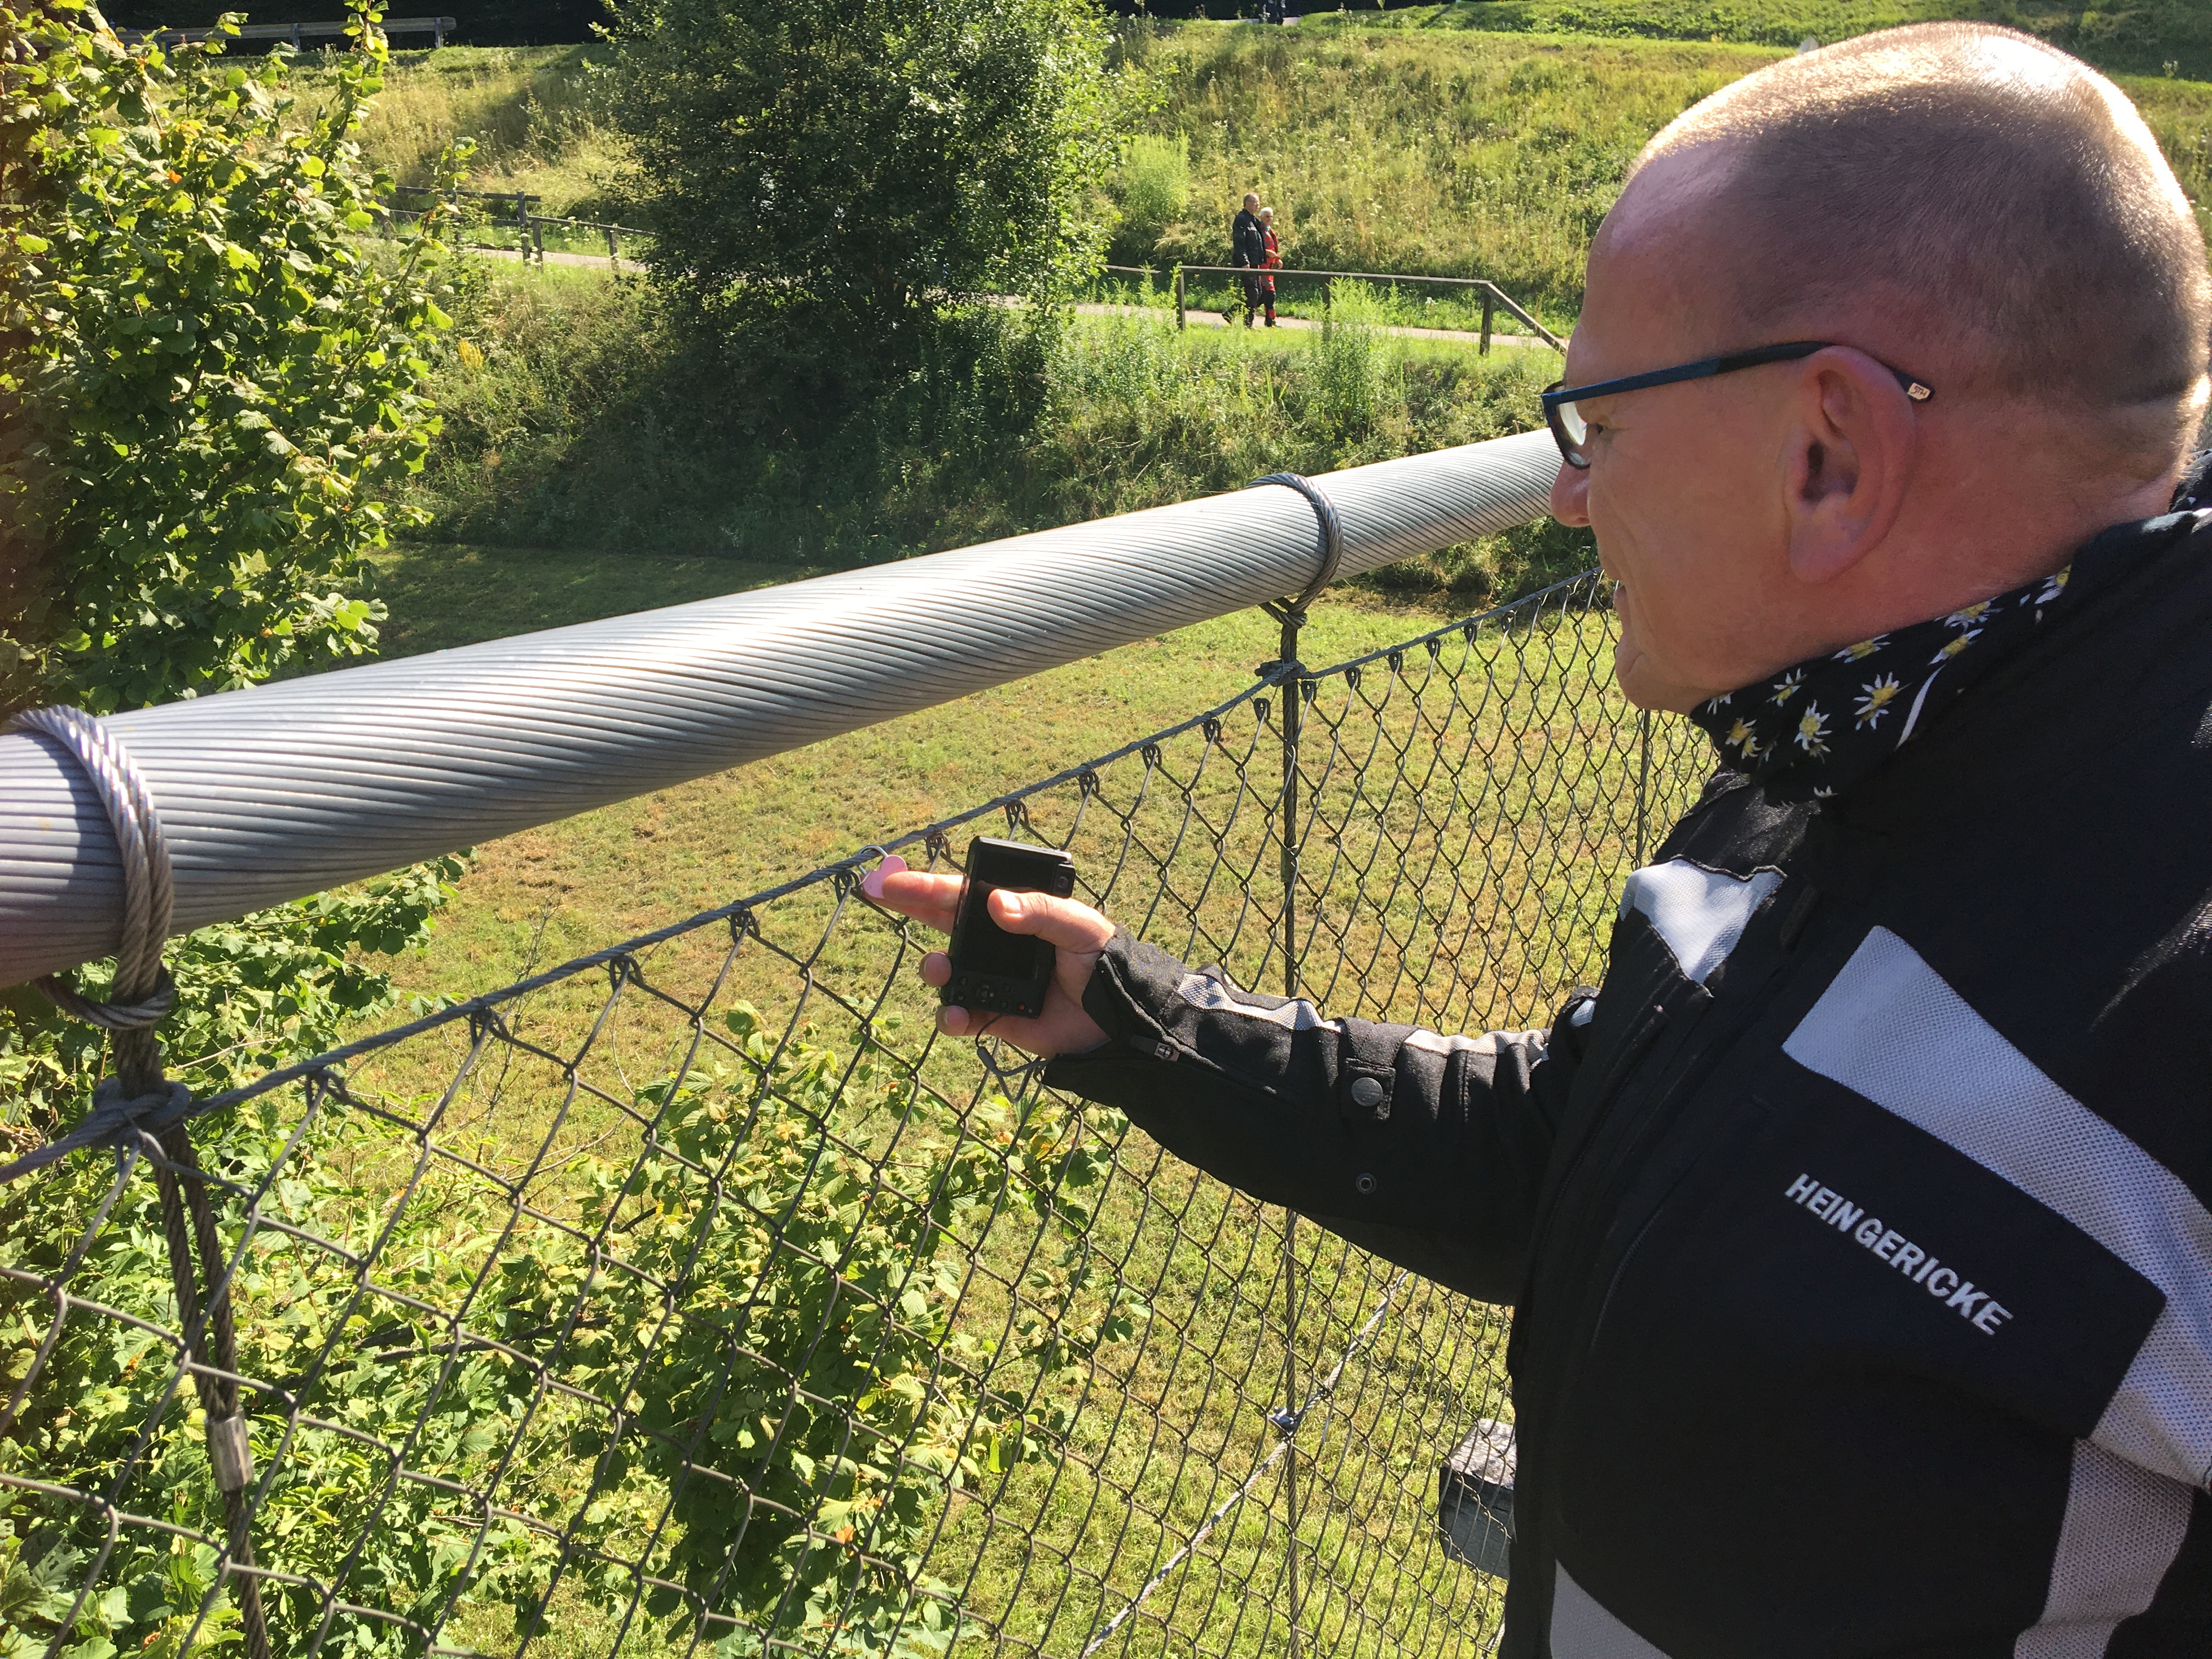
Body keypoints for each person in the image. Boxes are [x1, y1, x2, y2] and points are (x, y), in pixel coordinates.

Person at [880, 22, 2212, 1656]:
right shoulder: (1843, 748)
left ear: (1829, 456)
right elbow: (1575, 1144)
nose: (1571, 498)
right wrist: (1140, 1020)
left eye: (1598, 426)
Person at [1231, 191, 1267, 327]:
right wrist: (1244, 261)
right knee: (1253, 293)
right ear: (1247, 203)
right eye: (1255, 202)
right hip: (1247, 264)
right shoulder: (1242, 219)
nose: (1258, 205)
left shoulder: (1253, 220)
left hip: (1255, 263)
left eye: (1258, 202)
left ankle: (1231, 313)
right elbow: (1239, 242)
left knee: (1259, 292)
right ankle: (1248, 324)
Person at [1258, 205, 1282, 327]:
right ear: (1261, 217)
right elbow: (1256, 247)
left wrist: (1277, 259)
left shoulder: (1270, 231)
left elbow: (1273, 249)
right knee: (1270, 293)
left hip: (1270, 267)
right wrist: (1267, 252)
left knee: (1263, 296)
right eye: (1267, 216)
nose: (1269, 219)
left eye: (1271, 217)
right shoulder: (1258, 230)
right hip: (1261, 266)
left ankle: (1232, 312)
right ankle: (1270, 321)